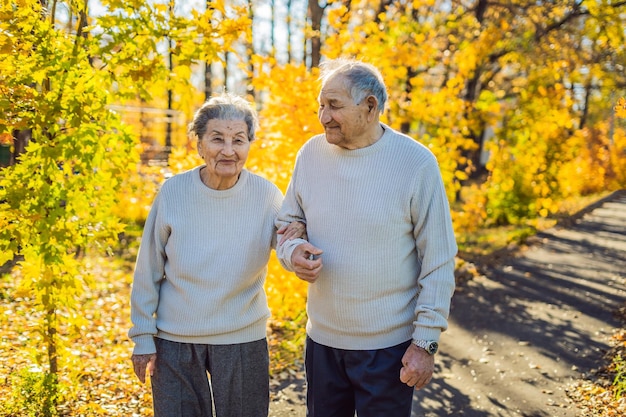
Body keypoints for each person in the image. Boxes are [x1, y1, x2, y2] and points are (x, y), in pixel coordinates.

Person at [276, 58, 458, 417]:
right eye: (321, 106)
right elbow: (287, 222)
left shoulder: (415, 163)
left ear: (370, 106)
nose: (324, 116)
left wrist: (425, 343)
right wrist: (293, 251)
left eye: (335, 106)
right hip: (322, 344)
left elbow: (438, 259)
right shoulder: (310, 153)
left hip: (388, 350)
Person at [128, 92, 305, 417]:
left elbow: (287, 245)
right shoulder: (174, 192)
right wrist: (142, 336)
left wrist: (299, 256)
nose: (228, 150)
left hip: (242, 338)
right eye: (217, 139)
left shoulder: (266, 195)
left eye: (239, 140)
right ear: (198, 143)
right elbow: (148, 268)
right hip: (175, 340)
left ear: (249, 144)